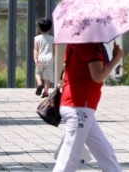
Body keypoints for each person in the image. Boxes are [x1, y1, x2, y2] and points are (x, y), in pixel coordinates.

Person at [53, 41, 124, 172]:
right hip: (80, 107)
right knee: (68, 160)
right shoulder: (90, 45)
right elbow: (98, 76)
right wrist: (116, 59)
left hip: (78, 106)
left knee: (104, 151)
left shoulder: (75, 42)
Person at [34, 17, 55, 98]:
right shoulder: (52, 39)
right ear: (50, 28)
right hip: (49, 58)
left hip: (40, 58)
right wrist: (53, 58)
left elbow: (36, 49)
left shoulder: (37, 38)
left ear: (39, 29)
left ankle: (39, 84)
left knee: (38, 73)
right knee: (47, 76)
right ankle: (46, 91)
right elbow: (54, 50)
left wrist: (35, 59)